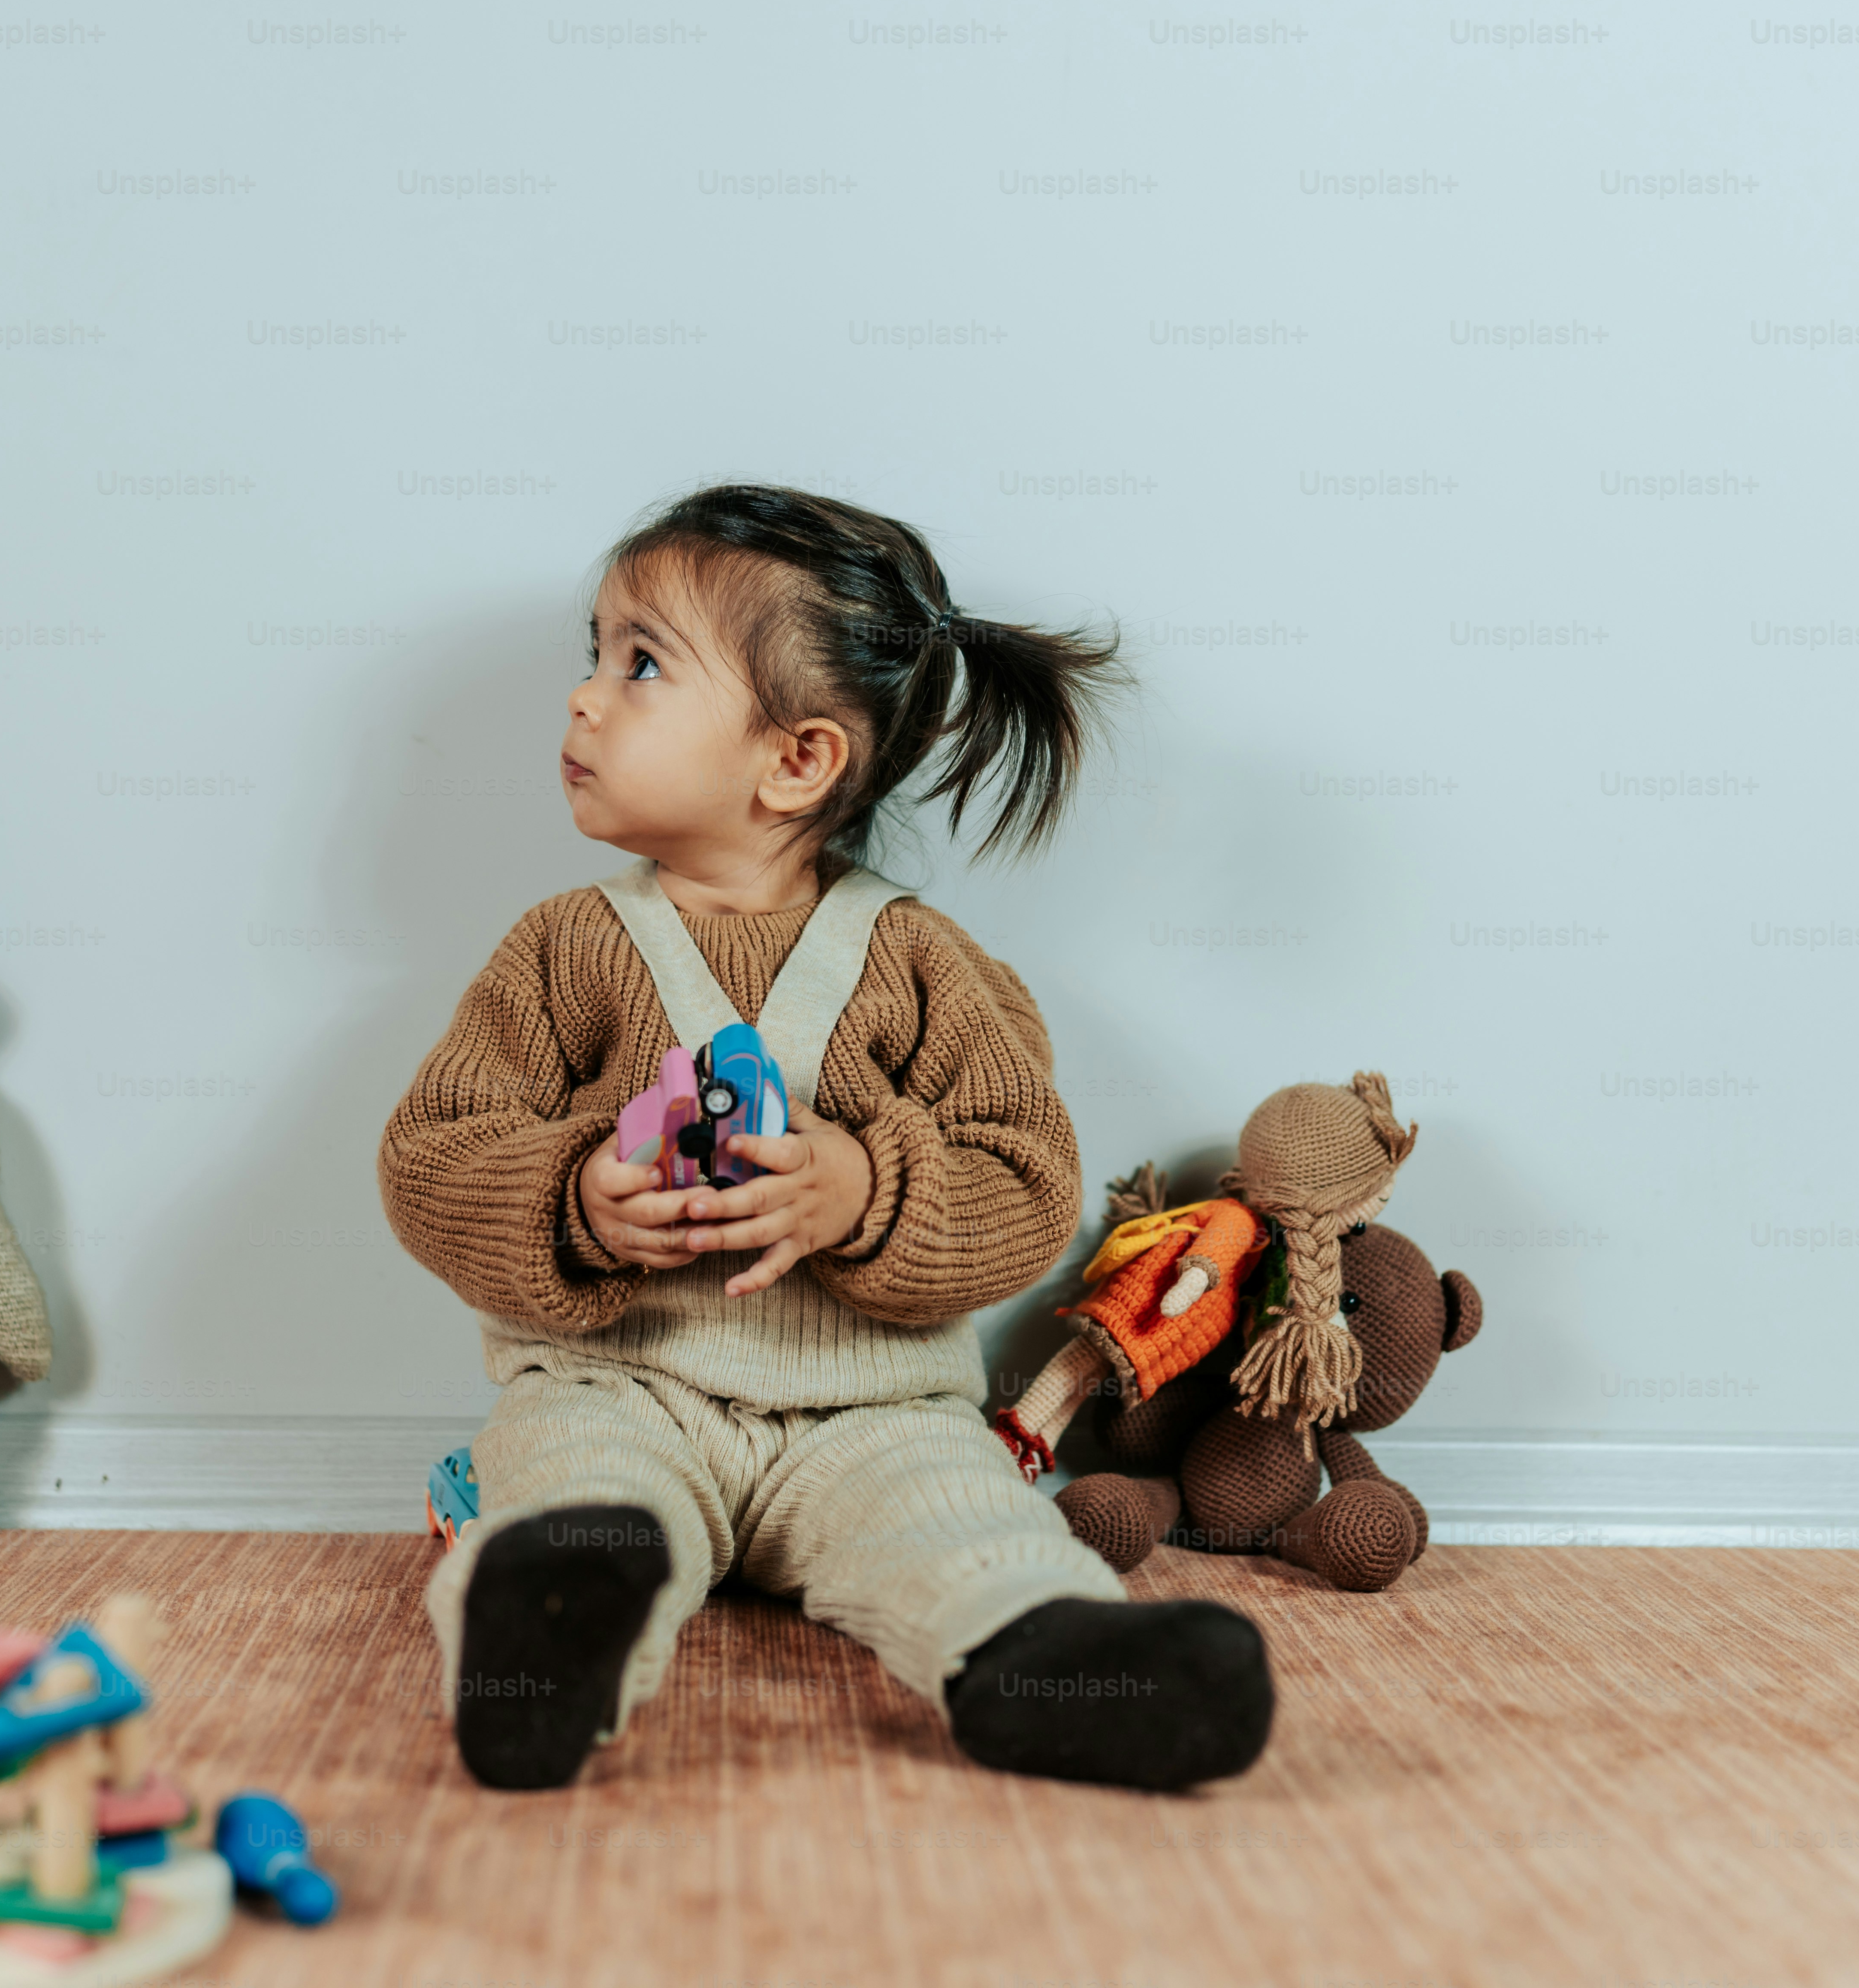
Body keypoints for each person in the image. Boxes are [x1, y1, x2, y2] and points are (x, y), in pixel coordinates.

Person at [379, 483, 1274, 1792]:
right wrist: (577, 1200)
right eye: (594, 656)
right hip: (619, 1385)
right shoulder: (564, 948)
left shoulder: (921, 965)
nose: (582, 697)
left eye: (640, 666)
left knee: (959, 1518)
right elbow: (433, 1154)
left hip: (871, 1411)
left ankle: (1050, 1662)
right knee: (568, 1489)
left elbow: (1027, 1182)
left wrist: (864, 1190)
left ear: (797, 760)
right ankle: (542, 1650)